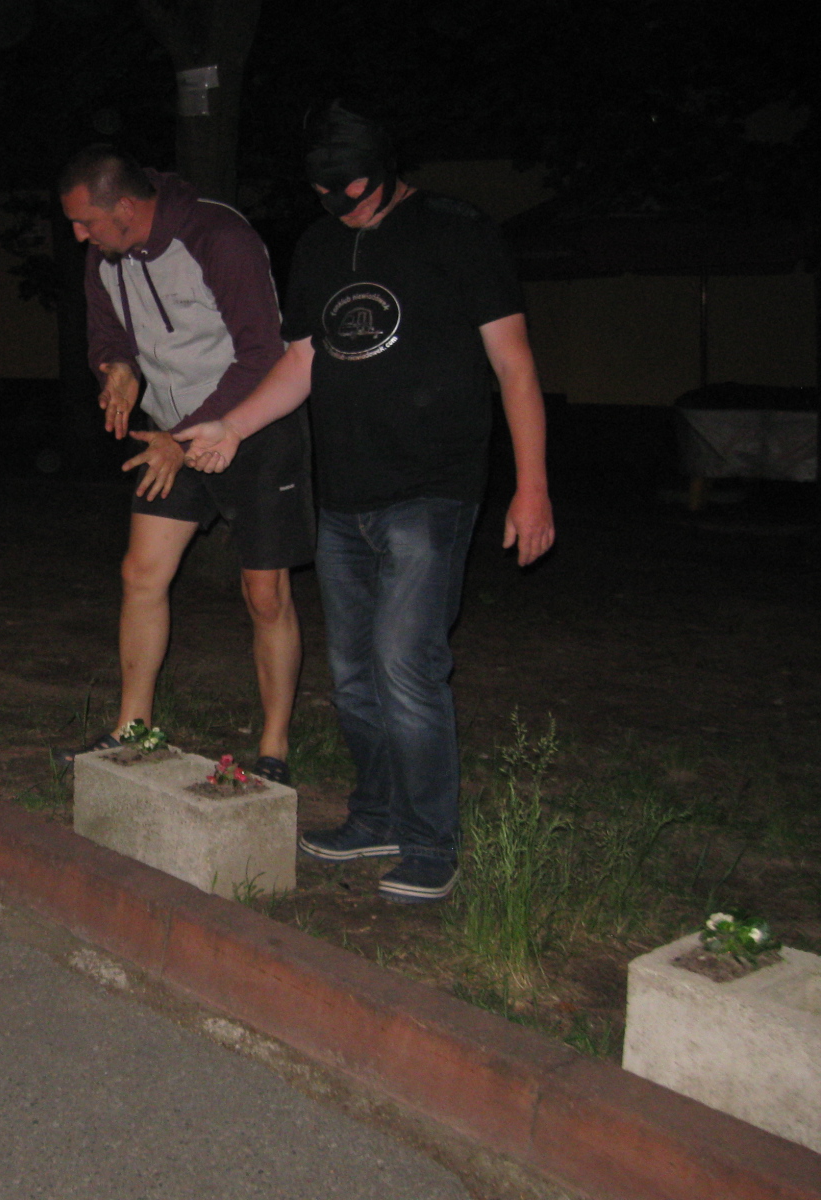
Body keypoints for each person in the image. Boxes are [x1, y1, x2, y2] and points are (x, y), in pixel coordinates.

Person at [178, 102, 555, 903]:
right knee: (352, 674)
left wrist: (532, 487)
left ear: (385, 170)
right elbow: (301, 363)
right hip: (343, 493)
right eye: (324, 194)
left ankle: (430, 843)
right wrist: (232, 426)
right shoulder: (319, 246)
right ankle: (377, 813)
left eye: (351, 191)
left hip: (432, 487)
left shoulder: (459, 230)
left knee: (406, 665)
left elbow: (515, 366)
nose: (338, 206)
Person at [55, 146, 314, 781]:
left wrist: (188, 435)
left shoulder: (219, 236)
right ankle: (132, 730)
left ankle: (273, 749)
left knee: (265, 593)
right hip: (168, 435)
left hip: (254, 426)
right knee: (141, 573)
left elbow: (262, 353)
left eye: (86, 221)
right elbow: (109, 335)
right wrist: (117, 371)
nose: (79, 235)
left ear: (125, 207)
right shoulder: (104, 255)